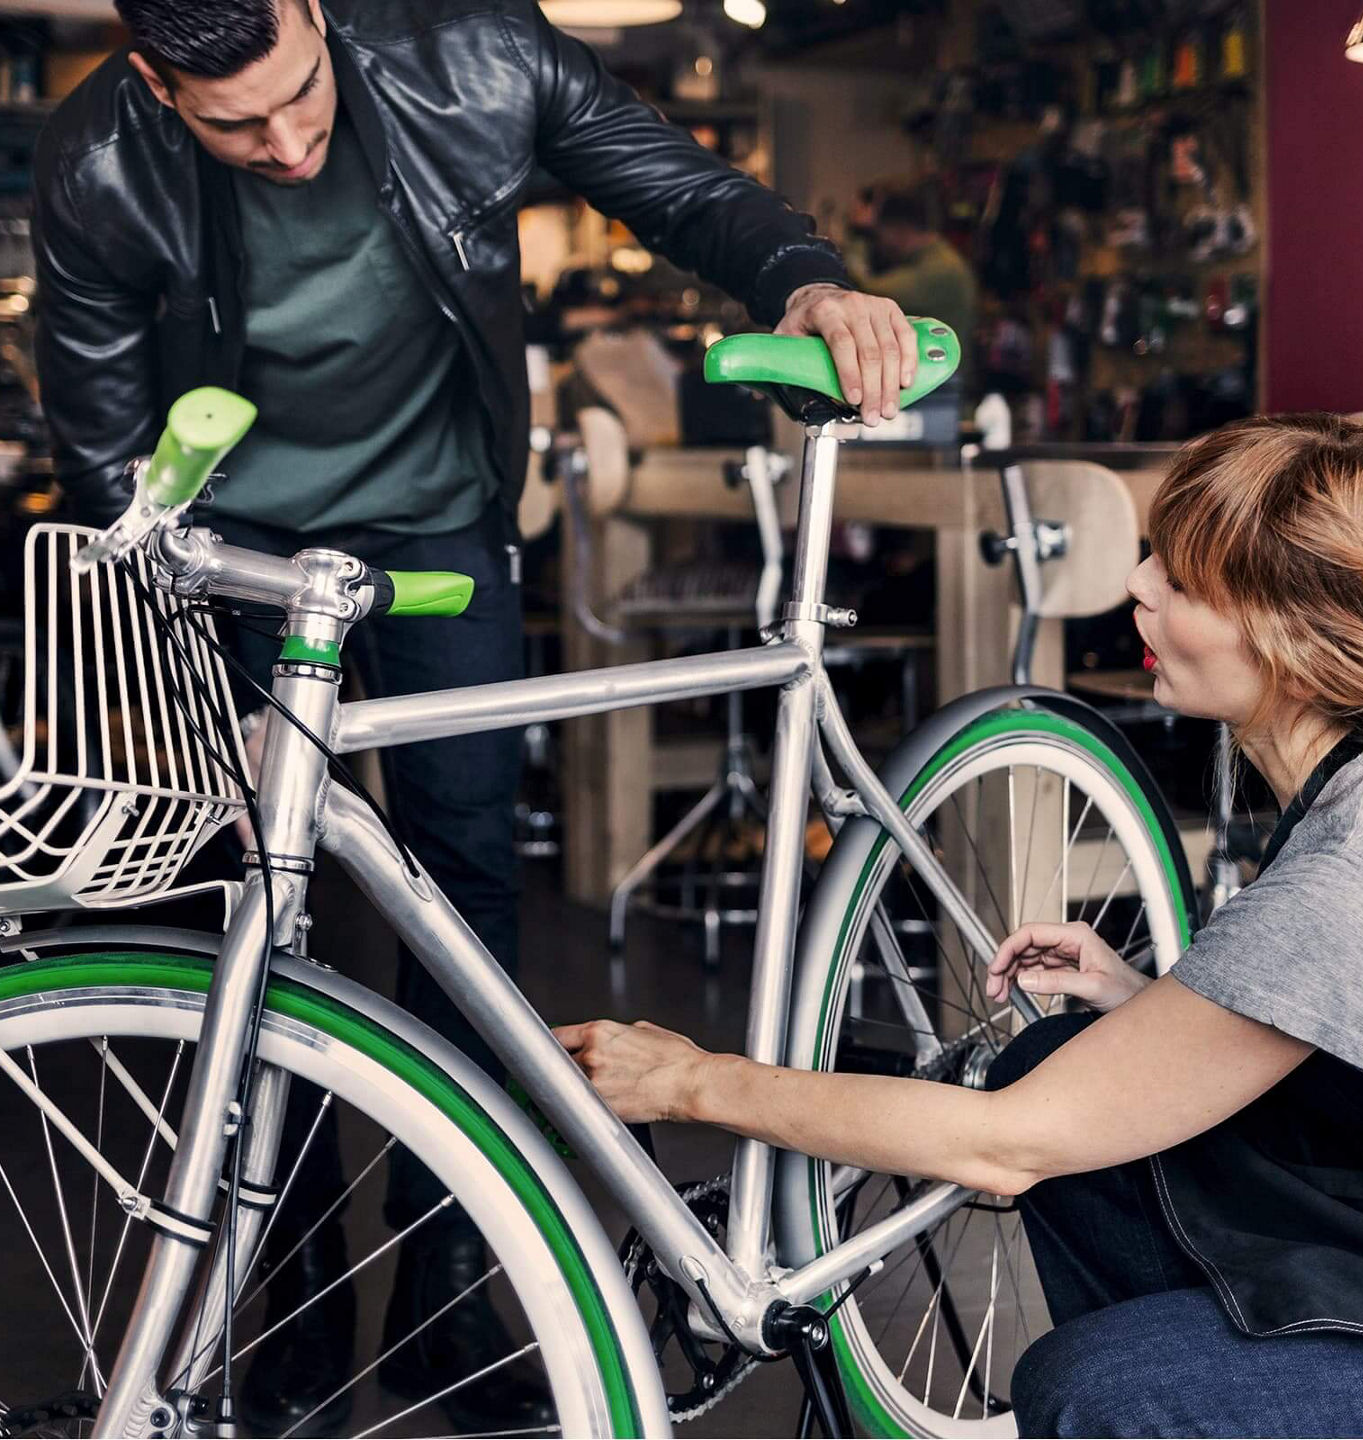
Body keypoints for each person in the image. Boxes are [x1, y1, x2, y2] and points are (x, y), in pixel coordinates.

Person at [30, 0, 915, 1430]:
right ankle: (294, 1306)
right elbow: (102, 443)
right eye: (234, 124)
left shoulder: (475, 51)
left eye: (300, 96)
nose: (287, 142)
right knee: (261, 924)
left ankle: (450, 1293)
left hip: (441, 536)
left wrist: (807, 282)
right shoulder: (95, 160)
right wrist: (169, 630)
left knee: (467, 895)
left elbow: (681, 189)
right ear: (152, 80)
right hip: (240, 565)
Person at [562, 413, 1363, 1438]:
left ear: (1299, 637)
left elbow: (1001, 1148)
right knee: (1066, 1059)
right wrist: (1150, 1010)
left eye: (1184, 584)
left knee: (1091, 1389)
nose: (1138, 587)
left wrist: (691, 1080)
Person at [846, 188, 977, 361]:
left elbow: (867, 290)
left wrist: (859, 235)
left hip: (943, 377)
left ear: (899, 229)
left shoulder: (940, 270)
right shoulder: (938, 259)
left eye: (879, 232)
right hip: (939, 370)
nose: (880, 242)